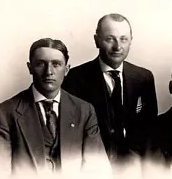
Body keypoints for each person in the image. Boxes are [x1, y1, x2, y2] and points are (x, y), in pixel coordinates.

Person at [0, 38, 109, 176]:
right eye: (41, 64)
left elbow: (97, 171)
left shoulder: (84, 111)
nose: (49, 71)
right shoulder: (5, 113)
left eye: (56, 64)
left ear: (66, 69)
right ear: (30, 68)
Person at [62, 13, 158, 165]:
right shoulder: (74, 78)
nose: (117, 47)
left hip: (133, 166)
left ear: (130, 41)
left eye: (123, 39)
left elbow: (150, 127)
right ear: (96, 40)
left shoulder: (144, 78)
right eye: (110, 39)